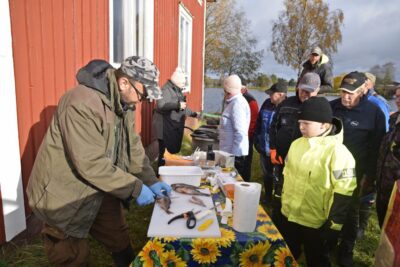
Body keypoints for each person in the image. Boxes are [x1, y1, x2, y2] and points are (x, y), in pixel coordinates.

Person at [26, 56, 172, 267]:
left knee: (119, 238)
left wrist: (150, 180)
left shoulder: (124, 104)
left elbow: (134, 148)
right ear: (123, 83)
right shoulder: (80, 103)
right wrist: (135, 188)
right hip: (65, 194)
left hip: (101, 186)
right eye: (143, 95)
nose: (142, 101)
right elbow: (90, 163)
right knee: (72, 256)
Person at [280, 97, 357, 267]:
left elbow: (344, 191)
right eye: (300, 122)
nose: (300, 127)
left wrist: (334, 225)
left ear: (324, 124)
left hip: (316, 222)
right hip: (290, 215)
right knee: (284, 255)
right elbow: (286, 176)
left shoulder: (338, 152)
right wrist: (280, 201)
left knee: (317, 260)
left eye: (306, 123)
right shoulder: (296, 145)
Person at [330, 71, 386, 267]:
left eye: (351, 92)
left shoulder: (374, 113)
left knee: (350, 211)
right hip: (328, 170)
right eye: (343, 91)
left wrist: (369, 177)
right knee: (327, 205)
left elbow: (378, 147)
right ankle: (329, 242)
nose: (346, 96)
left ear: (363, 90)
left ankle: (346, 249)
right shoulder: (331, 107)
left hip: (354, 173)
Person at [269, 72, 321, 229]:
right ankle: (276, 223)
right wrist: (272, 148)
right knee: (278, 192)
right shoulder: (286, 104)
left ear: (317, 90)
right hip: (281, 157)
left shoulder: (320, 108)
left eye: (309, 91)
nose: (305, 94)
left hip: (304, 164)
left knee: (298, 195)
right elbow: (273, 127)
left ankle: (296, 227)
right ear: (297, 87)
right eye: (302, 89)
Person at [152, 67, 199, 169]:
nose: (183, 85)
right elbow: (160, 105)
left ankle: (169, 169)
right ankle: (160, 173)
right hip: (163, 126)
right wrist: (177, 105)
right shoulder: (165, 90)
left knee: (170, 153)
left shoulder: (177, 90)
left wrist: (194, 114)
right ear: (177, 82)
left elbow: (183, 107)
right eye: (182, 83)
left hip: (171, 125)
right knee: (163, 153)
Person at [253, 82, 287, 203]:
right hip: (264, 148)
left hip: (279, 151)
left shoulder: (287, 107)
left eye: (271, 94)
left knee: (280, 176)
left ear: (281, 94)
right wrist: (256, 140)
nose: (269, 97)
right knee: (266, 174)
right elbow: (258, 122)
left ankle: (278, 200)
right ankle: (267, 197)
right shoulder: (267, 104)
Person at [376, 86, 400, 227]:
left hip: (397, 193)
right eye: (397, 96)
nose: (398, 100)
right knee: (384, 226)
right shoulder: (393, 119)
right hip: (384, 188)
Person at [219, 75, 250, 178]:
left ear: (228, 90)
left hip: (233, 156)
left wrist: (233, 158)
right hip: (228, 154)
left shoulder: (237, 104)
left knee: (231, 184)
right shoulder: (233, 102)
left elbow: (240, 132)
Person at [240, 83, 259, 181]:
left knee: (246, 162)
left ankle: (245, 182)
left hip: (247, 136)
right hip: (241, 136)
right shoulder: (238, 99)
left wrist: (247, 134)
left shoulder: (250, 100)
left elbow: (254, 120)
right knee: (239, 161)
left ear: (244, 89)